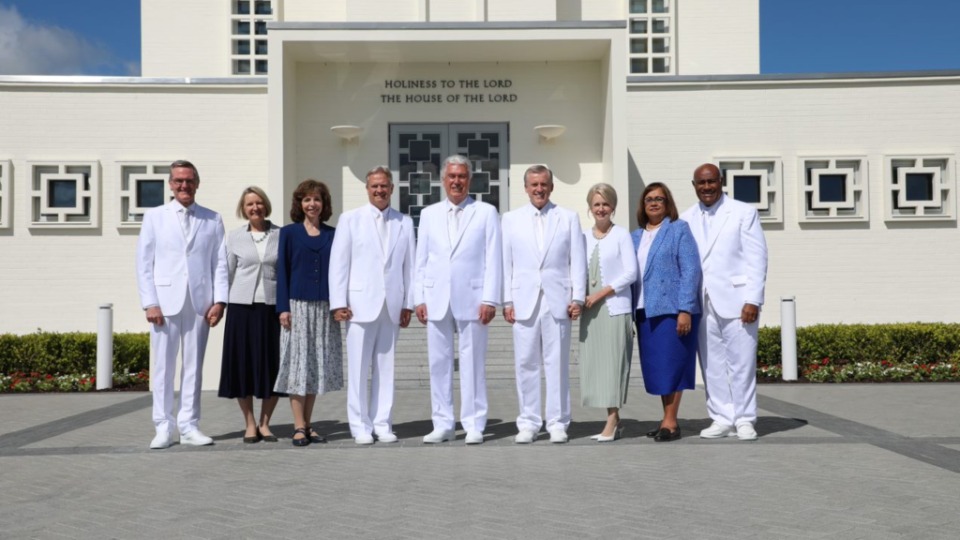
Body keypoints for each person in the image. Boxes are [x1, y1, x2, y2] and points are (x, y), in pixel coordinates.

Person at [136, 159, 228, 449]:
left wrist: (220, 301)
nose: (184, 185)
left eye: (189, 180)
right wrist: (150, 302)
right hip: (164, 303)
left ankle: (189, 426)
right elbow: (144, 263)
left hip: (200, 302)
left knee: (194, 367)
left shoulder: (213, 219)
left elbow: (220, 264)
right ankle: (163, 426)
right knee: (163, 368)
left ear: (197, 183)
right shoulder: (155, 217)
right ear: (170, 185)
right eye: (178, 181)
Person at [414, 155, 502, 445]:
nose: (456, 181)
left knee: (473, 362)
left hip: (474, 297)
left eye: (462, 176)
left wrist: (491, 298)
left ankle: (475, 422)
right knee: (438, 363)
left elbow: (494, 259)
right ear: (443, 181)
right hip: (436, 297)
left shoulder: (486, 212)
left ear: (469, 180)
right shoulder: (429, 214)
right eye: (451, 176)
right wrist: (419, 298)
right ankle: (442, 423)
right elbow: (422, 260)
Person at [680, 164, 768, 441]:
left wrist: (753, 299)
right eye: (701, 183)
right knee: (711, 364)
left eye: (711, 182)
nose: (707, 187)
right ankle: (720, 417)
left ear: (721, 182)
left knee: (741, 362)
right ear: (694, 185)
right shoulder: (686, 218)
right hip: (702, 302)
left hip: (738, 300)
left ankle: (744, 418)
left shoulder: (743, 212)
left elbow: (757, 258)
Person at [329, 166, 416, 445]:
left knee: (385, 368)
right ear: (367, 189)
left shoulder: (405, 222)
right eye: (374, 186)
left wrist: (408, 304)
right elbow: (339, 264)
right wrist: (338, 302)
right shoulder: (350, 219)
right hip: (358, 305)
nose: (379, 190)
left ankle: (382, 423)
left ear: (392, 188)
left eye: (384, 186)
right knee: (358, 368)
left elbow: (410, 268)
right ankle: (359, 425)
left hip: (391, 306)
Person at [502, 164, 586, 444]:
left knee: (557, 363)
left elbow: (578, 261)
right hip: (523, 299)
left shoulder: (568, 218)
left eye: (544, 184)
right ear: (525, 188)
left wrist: (577, 297)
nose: (539, 189)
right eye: (534, 184)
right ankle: (528, 422)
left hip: (558, 299)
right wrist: (507, 299)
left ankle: (558, 422)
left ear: (552, 187)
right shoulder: (510, 219)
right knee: (525, 363)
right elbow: (506, 263)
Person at [275, 179, 344, 447]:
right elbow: (282, 272)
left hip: (324, 308)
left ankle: (308, 423)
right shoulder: (289, 233)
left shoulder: (333, 234)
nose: (312, 204)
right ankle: (298, 426)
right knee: (297, 366)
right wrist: (283, 308)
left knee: (315, 366)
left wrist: (340, 304)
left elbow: (340, 272)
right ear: (300, 204)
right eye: (307, 200)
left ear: (324, 204)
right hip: (297, 307)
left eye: (317, 199)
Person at [632, 182, 702, 442]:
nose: (653, 203)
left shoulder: (678, 230)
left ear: (667, 203)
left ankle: (671, 423)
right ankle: (666, 418)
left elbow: (691, 270)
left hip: (672, 310)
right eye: (649, 198)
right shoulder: (635, 236)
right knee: (659, 369)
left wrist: (685, 309)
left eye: (659, 199)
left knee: (672, 365)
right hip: (644, 311)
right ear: (643, 205)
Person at [217, 186, 283, 443]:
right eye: (249, 204)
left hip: (272, 308)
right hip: (241, 308)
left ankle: (265, 423)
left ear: (265, 205)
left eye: (258, 202)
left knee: (272, 366)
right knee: (242, 366)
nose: (255, 208)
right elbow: (226, 273)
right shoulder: (234, 237)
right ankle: (249, 423)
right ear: (243, 209)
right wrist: (220, 304)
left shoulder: (281, 234)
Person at [579, 183, 637, 442]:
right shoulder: (582, 236)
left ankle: (612, 421)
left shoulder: (621, 234)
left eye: (605, 204)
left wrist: (601, 294)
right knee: (598, 367)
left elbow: (630, 273)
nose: (601, 209)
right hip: (591, 312)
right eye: (596, 204)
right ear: (590, 207)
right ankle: (614, 418)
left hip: (614, 309)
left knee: (613, 366)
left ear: (613, 207)